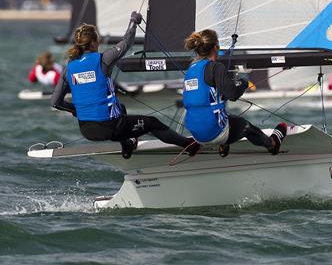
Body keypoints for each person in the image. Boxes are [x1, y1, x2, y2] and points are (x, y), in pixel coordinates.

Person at [52, 11, 198, 159]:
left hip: (86, 130)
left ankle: (127, 145)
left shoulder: (69, 68)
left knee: (120, 107)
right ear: (94, 42)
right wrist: (133, 22)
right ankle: (189, 145)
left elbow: (55, 102)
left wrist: (75, 109)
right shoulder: (103, 60)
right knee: (152, 123)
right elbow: (127, 42)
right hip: (110, 128)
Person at [182, 29, 287, 157]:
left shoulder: (190, 70)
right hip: (214, 132)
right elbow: (233, 94)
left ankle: (223, 145)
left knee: (221, 113)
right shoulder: (216, 67)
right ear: (216, 47)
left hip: (195, 133)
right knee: (246, 126)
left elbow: (205, 96)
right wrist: (243, 82)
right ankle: (273, 144)